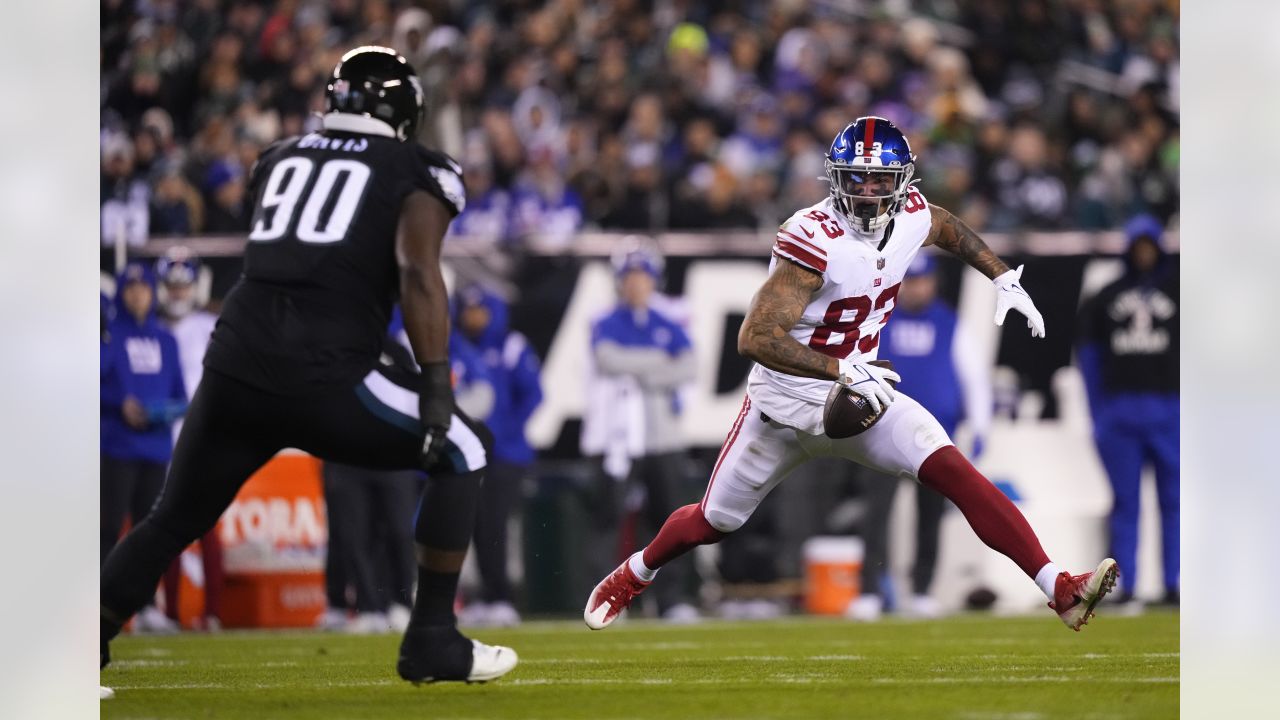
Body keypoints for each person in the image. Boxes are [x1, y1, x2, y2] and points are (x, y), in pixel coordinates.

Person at [584, 116, 1117, 634]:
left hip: (861, 396)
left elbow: (946, 226)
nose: (866, 191)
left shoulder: (910, 214)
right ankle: (636, 572)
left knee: (953, 468)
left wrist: (1001, 276)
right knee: (714, 520)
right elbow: (755, 337)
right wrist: (842, 368)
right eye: (854, 178)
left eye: (879, 178)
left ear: (901, 182)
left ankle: (1059, 588)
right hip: (785, 403)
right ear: (835, 180)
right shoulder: (813, 237)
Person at [100, 47, 517, 686]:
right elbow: (416, 271)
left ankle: (75, 648)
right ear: (403, 110)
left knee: (172, 518)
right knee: (463, 447)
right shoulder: (416, 167)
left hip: (236, 365)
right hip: (325, 373)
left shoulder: (278, 159)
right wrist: (435, 384)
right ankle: (432, 636)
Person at [844, 252, 993, 621]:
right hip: (881, 432)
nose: (916, 288)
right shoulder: (878, 320)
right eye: (910, 281)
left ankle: (923, 588)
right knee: (876, 515)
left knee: (929, 516)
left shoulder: (949, 322)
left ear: (934, 283)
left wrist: (981, 424)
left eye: (922, 280)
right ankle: (869, 590)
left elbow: (973, 376)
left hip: (933, 437)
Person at [581, 248, 702, 621]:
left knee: (670, 522)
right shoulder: (605, 320)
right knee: (609, 519)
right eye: (630, 277)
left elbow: (689, 366)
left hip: (662, 437)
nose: (636, 284)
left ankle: (673, 600)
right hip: (616, 437)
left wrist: (639, 369)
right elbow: (607, 359)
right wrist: (658, 362)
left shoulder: (669, 320)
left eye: (643, 276)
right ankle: (605, 600)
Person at [1077, 213, 1179, 607]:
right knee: (1125, 503)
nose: (1143, 254)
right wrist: (1098, 412)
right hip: (1120, 411)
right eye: (1137, 247)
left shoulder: (1180, 292)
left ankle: (1174, 583)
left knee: (1174, 501)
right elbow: (1088, 358)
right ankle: (1126, 585)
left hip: (1168, 408)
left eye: (1149, 247)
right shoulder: (1104, 297)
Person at [101, 261, 188, 634]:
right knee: (106, 529)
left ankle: (148, 606)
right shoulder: (107, 336)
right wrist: (120, 403)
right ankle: (101, 605)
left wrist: (161, 411)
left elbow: (182, 395)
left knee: (148, 534)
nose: (138, 294)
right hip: (117, 446)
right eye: (131, 288)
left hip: (155, 448)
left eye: (144, 287)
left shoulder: (167, 339)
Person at [451, 284, 544, 627]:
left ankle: (503, 595)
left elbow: (534, 394)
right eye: (468, 310)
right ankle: (478, 596)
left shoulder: (510, 345)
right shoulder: (457, 347)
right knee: (470, 525)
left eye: (480, 310)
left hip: (506, 453)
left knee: (496, 524)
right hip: (468, 453)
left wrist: (505, 431)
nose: (473, 317)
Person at [154, 249, 225, 631]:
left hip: (202, 436)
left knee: (208, 526)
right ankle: (168, 613)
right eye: (173, 285)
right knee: (164, 526)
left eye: (184, 285)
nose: (179, 292)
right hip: (160, 438)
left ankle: (212, 612)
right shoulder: (154, 327)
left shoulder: (209, 325)